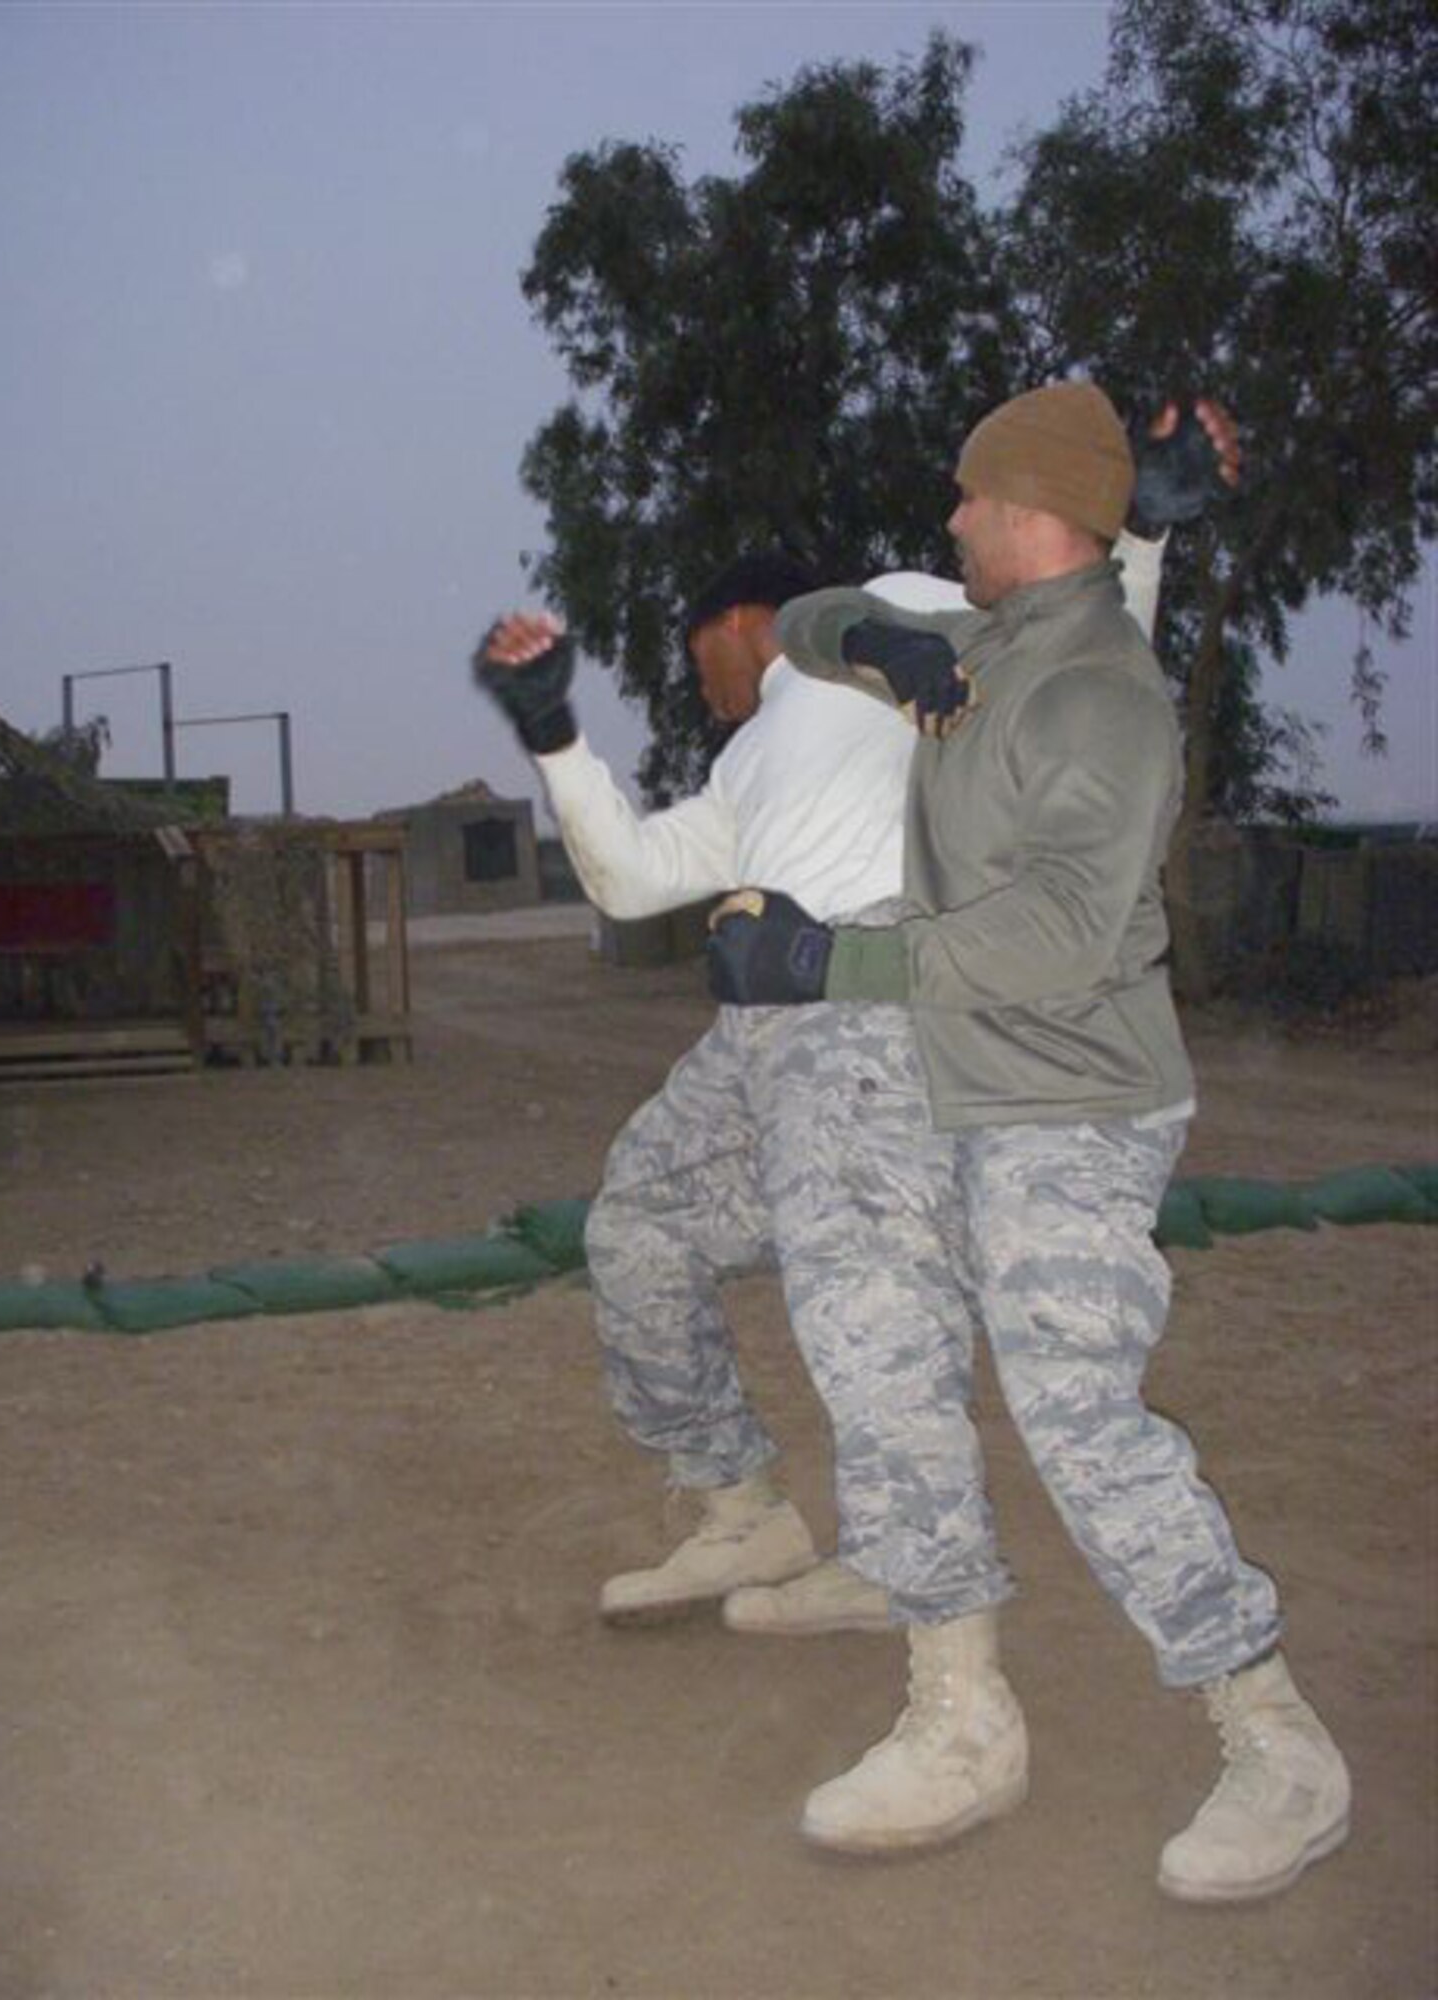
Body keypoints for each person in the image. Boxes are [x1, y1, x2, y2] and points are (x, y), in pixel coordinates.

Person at [706, 380, 1349, 1903]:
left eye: (968, 500)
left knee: (1073, 1406)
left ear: (1033, 511)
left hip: (1071, 1100)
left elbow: (1061, 934)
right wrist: (882, 640)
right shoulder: (985, 649)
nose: (948, 522)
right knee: (875, 1341)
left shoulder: (1097, 698)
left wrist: (825, 964)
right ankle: (959, 1714)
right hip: (959, 1083)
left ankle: (1274, 1732)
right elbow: (801, 617)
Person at [473, 414, 1227, 1633]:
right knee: (637, 1225)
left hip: (870, 993)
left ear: (733, 623)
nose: (698, 685)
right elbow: (624, 876)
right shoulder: (746, 767)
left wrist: (1139, 536)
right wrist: (555, 736)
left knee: (864, 1294)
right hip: (763, 1014)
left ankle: (909, 1570)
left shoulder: (910, 602)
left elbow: (1078, 639)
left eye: (695, 655)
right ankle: (739, 1506)